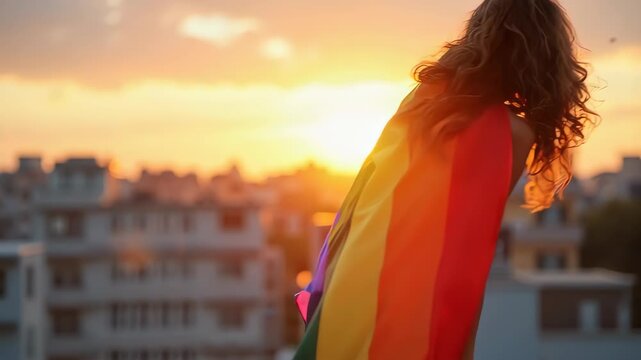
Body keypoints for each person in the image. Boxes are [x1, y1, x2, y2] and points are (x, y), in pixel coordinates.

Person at [292, 0, 598, 359]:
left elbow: (363, 200)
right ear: (543, 54)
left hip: (357, 279)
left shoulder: (421, 101)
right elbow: (471, 254)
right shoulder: (512, 134)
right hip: (415, 303)